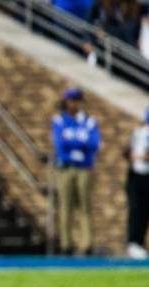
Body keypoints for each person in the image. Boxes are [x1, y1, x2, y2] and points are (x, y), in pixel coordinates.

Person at [51, 87, 100, 256]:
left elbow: (93, 144)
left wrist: (73, 142)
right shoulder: (59, 120)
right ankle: (66, 244)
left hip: (84, 168)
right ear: (66, 101)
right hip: (65, 169)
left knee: (85, 207)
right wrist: (79, 143)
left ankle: (87, 244)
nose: (74, 103)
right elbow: (60, 146)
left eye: (77, 100)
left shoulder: (88, 121)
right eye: (71, 100)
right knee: (66, 207)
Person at [125, 107, 149, 259]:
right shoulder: (138, 133)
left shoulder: (139, 133)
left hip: (143, 175)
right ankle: (135, 243)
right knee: (137, 210)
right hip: (137, 176)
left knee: (142, 211)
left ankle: (137, 243)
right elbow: (127, 152)